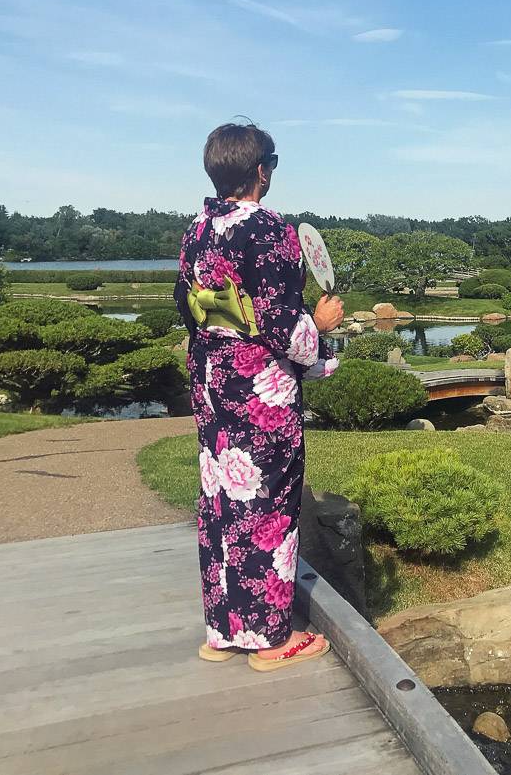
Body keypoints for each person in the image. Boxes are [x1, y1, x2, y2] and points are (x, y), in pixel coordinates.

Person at [175, 122, 345, 672]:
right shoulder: (268, 228)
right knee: (268, 506)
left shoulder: (198, 229)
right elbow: (282, 325)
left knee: (222, 502)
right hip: (259, 393)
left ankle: (223, 630)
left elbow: (191, 307)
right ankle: (270, 639)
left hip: (213, 381)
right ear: (260, 170)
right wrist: (318, 327)